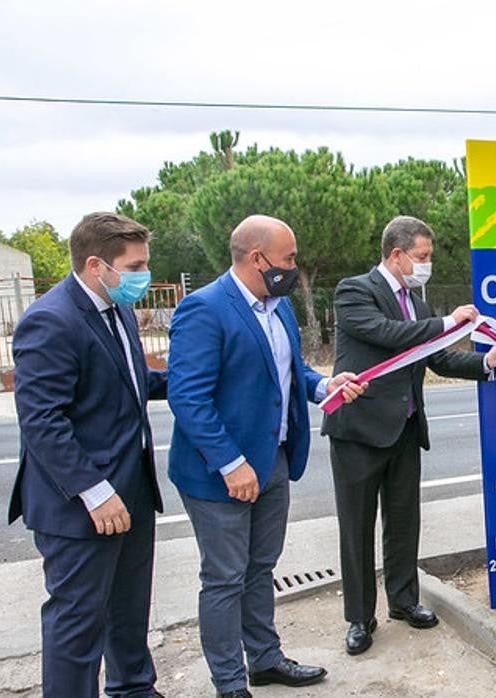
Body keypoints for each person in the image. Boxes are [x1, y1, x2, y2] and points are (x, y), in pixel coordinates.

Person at [167, 215, 365, 698]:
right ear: (258, 258)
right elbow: (188, 397)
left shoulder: (277, 307)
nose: (295, 267)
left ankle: (266, 660)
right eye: (290, 258)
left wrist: (323, 385)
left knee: (260, 569)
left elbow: (290, 368)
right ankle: (230, 683)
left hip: (273, 460)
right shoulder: (205, 308)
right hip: (221, 474)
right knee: (224, 578)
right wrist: (231, 464)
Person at [322, 215, 496, 656]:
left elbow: (439, 360)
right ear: (397, 255)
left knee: (403, 521)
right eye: (423, 257)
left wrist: (489, 362)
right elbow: (385, 334)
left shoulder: (419, 303)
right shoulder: (354, 291)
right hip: (358, 432)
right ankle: (359, 617)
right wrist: (450, 320)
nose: (427, 265)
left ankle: (404, 600)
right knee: (356, 529)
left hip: (406, 429)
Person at [9, 212, 168, 697]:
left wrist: (197, 378)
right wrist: (96, 493)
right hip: (80, 504)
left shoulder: (115, 309)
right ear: (97, 264)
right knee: (78, 622)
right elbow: (42, 421)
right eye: (135, 265)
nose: (142, 275)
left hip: (132, 489)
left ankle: (133, 688)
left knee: (128, 607)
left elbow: (129, 381)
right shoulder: (50, 320)